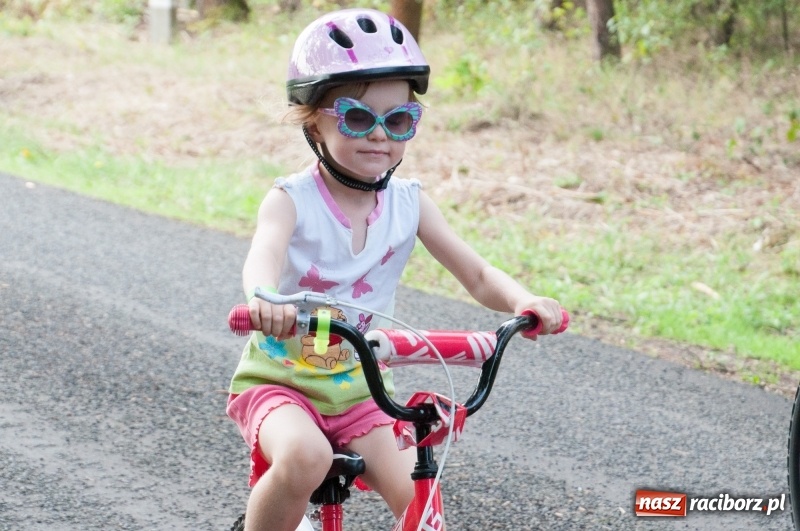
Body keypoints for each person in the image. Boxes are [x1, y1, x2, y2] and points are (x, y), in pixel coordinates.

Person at [226, 8, 565, 531]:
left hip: (363, 391)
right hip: (282, 383)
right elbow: (263, 256)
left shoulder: (410, 204)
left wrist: (524, 301)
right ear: (313, 120)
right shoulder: (291, 200)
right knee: (305, 457)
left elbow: (477, 274)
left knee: (420, 493)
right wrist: (264, 299)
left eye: (399, 120)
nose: (380, 135)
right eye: (358, 118)